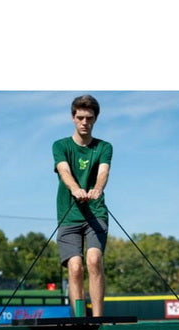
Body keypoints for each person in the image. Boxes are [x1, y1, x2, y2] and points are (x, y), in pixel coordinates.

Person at [52, 94, 112, 317]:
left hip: (96, 214)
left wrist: (97, 188)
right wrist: (75, 189)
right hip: (69, 215)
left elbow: (104, 172)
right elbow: (64, 170)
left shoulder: (104, 147)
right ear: (73, 118)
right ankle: (80, 320)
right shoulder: (61, 145)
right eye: (80, 117)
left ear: (95, 119)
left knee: (94, 260)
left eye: (89, 118)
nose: (84, 122)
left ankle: (97, 321)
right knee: (75, 266)